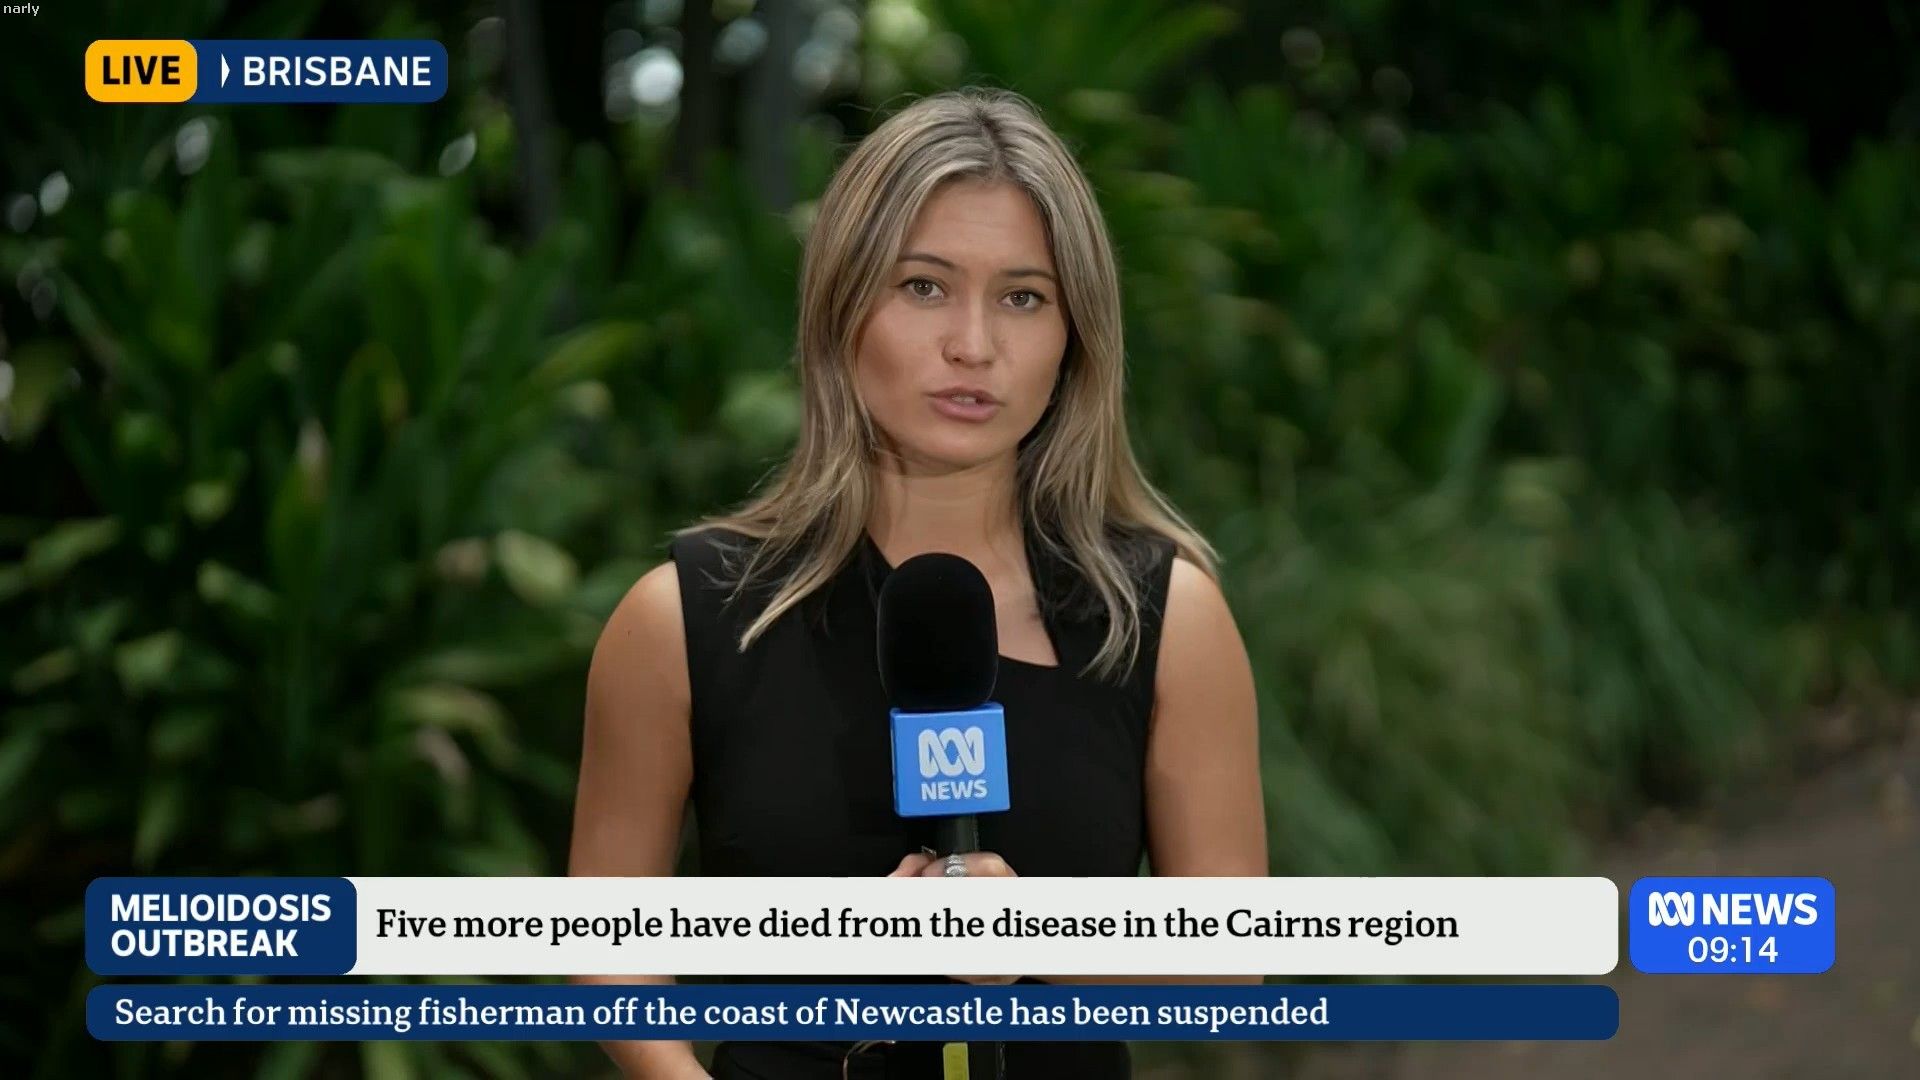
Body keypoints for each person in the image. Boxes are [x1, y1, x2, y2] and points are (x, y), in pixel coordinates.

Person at [569, 88, 1267, 1080]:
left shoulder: (1161, 616)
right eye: (925, 286)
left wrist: (1041, 940)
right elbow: (606, 951)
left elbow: (1232, 958)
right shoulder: (682, 617)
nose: (973, 345)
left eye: (1023, 297)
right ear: (843, 304)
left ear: (1075, 336)